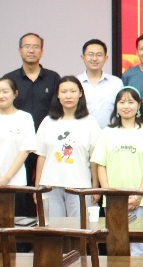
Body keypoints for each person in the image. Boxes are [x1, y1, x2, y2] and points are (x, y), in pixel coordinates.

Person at [91, 87, 143, 256]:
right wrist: (109, 194)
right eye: (121, 102)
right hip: (113, 200)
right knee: (115, 244)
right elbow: (101, 165)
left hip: (139, 200)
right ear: (116, 106)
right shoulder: (107, 133)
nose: (126, 106)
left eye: (130, 102)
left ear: (139, 105)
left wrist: (138, 196)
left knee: (137, 246)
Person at [4, 33, 60, 216]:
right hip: (18, 146)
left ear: (42, 52)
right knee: (21, 190)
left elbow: (58, 111)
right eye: (27, 46)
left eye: (36, 46)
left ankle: (45, 230)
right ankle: (23, 231)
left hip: (47, 146)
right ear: (19, 51)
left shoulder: (53, 78)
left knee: (46, 191)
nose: (31, 50)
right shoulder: (10, 79)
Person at [35, 76, 101, 218]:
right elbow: (42, 156)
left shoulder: (90, 122)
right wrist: (37, 187)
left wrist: (95, 187)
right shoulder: (48, 122)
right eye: (64, 92)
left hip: (80, 186)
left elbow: (94, 159)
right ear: (57, 95)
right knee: (52, 228)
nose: (68, 96)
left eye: (73, 91)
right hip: (50, 186)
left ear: (80, 93)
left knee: (79, 228)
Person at [78, 39, 123, 129]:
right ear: (83, 58)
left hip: (110, 133)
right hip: (83, 134)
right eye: (90, 54)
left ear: (106, 58)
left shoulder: (116, 83)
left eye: (99, 55)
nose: (94, 58)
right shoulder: (75, 83)